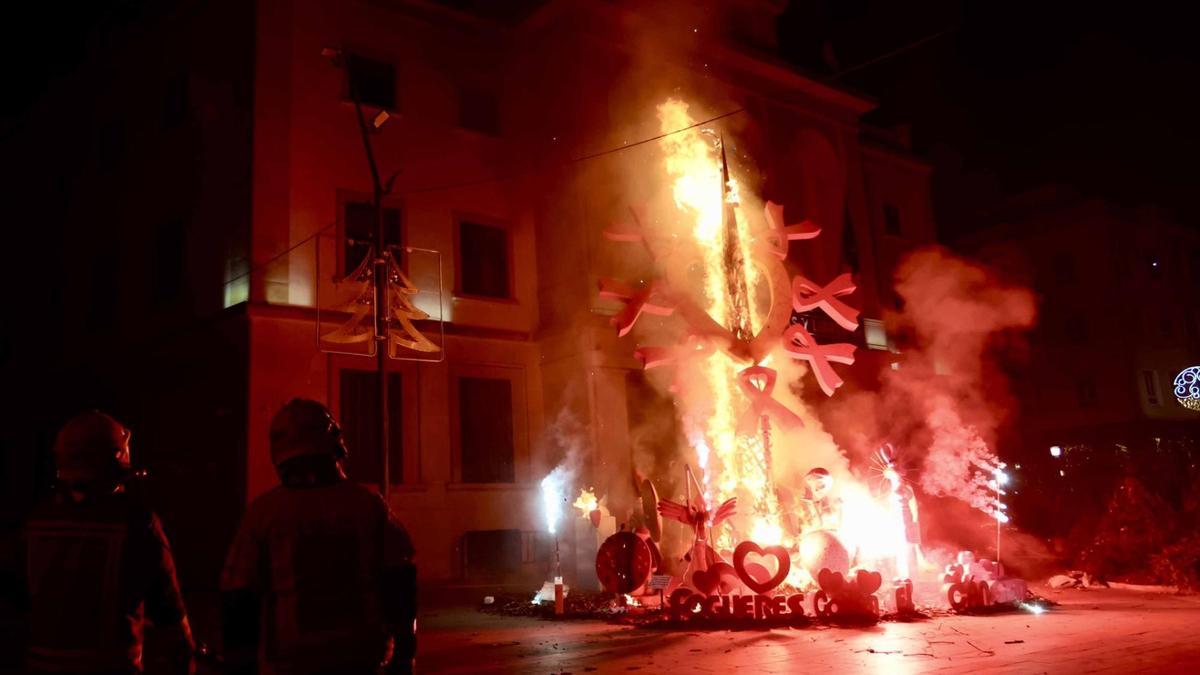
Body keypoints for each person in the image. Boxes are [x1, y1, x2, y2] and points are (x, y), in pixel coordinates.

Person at [220, 399, 416, 675]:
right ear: (334, 445)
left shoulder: (263, 514)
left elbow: (238, 595)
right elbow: (400, 582)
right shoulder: (368, 506)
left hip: (290, 663)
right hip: (360, 658)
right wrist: (404, 656)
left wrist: (241, 664)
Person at [18, 411, 195, 674]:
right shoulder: (137, 521)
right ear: (116, 462)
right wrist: (185, 655)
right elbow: (168, 611)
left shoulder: (35, 520)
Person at [797, 467, 843, 533]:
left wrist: (810, 503)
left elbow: (821, 525)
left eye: (820, 485)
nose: (816, 489)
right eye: (812, 485)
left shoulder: (834, 505)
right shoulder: (805, 505)